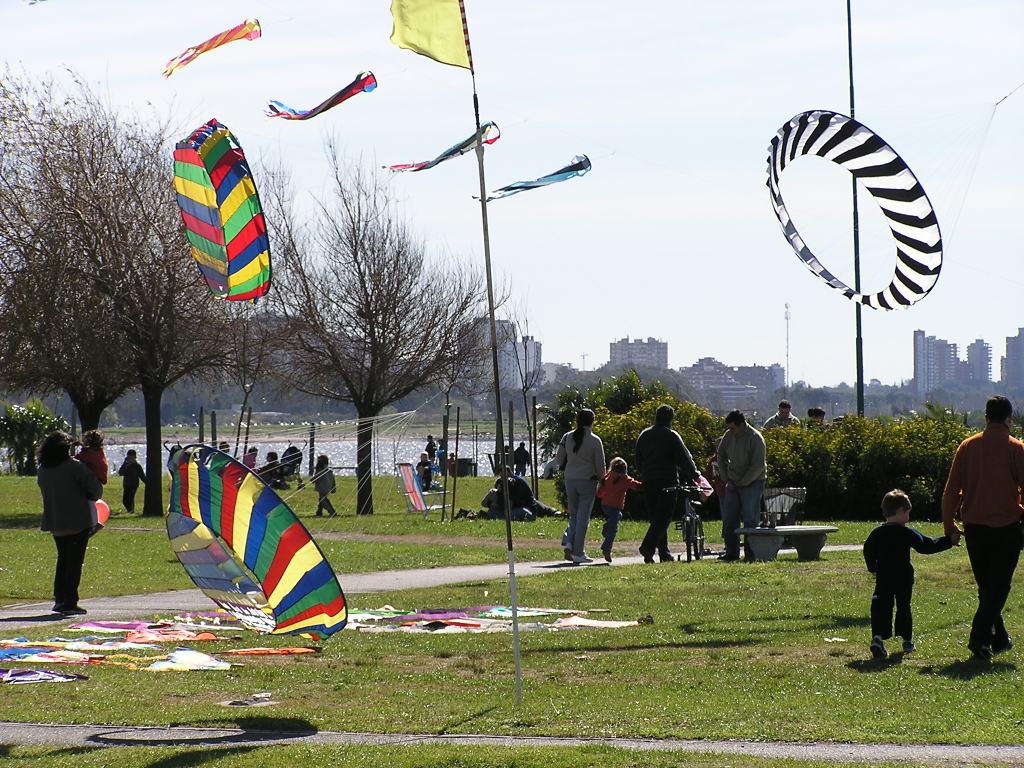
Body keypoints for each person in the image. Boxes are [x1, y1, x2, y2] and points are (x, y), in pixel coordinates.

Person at [941, 395, 1024, 661]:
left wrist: (948, 523)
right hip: (1007, 526)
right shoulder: (1016, 448)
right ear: (1009, 418)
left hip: (975, 526)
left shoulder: (967, 447)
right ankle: (979, 638)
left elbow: (952, 490)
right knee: (999, 587)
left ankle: (999, 638)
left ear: (986, 417)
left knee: (987, 585)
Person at [864, 489, 953, 659]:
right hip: (903, 577)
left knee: (881, 605)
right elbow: (927, 545)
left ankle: (878, 638)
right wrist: (948, 541)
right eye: (908, 512)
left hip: (883, 576)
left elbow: (868, 550)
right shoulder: (906, 532)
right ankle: (907, 640)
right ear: (901, 511)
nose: (909, 516)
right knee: (903, 606)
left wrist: (872, 567)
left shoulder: (877, 533)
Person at [37, 431, 103, 616]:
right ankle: (70, 601)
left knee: (63, 560)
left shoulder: (43, 469)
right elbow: (96, 490)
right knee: (74, 563)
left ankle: (60, 599)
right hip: (77, 520)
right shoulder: (75, 467)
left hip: (56, 522)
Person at [635, 404, 699, 563]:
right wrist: (694, 474)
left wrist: (644, 473)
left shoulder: (644, 435)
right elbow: (684, 458)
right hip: (667, 481)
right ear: (671, 419)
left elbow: (638, 459)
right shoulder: (671, 436)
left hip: (649, 480)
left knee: (655, 518)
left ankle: (663, 552)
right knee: (663, 517)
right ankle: (647, 547)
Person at [556, 409, 606, 564]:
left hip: (570, 479)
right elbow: (600, 466)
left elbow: (559, 459)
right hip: (587, 481)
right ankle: (578, 552)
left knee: (574, 515)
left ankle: (570, 542)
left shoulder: (567, 437)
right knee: (583, 518)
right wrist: (603, 479)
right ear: (592, 421)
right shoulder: (595, 440)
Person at [717, 410, 767, 561]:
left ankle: (751, 554)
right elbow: (721, 455)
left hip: (753, 483)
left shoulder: (756, 438)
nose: (730, 431)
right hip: (732, 483)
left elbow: (757, 465)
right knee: (729, 518)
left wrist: (744, 482)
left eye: (733, 428)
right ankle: (731, 553)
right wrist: (726, 478)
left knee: (750, 519)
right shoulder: (728, 436)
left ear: (742, 424)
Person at [597, 457, 643, 563]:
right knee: (613, 529)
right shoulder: (625, 478)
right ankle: (606, 549)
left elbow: (599, 494)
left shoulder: (607, 477)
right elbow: (636, 486)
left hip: (605, 506)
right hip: (615, 507)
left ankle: (606, 527)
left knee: (618, 517)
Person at [117, 449, 146, 514]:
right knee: (125, 500)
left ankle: (131, 510)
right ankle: (129, 510)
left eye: (132, 458)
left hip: (134, 485)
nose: (130, 460)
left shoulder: (137, 466)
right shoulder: (125, 466)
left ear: (135, 458)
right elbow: (120, 473)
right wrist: (125, 465)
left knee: (130, 498)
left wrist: (147, 482)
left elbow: (142, 476)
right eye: (129, 458)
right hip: (126, 485)